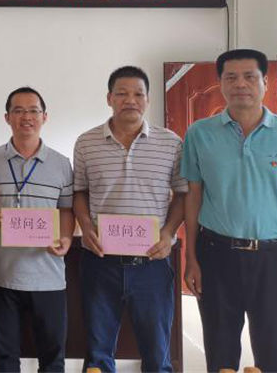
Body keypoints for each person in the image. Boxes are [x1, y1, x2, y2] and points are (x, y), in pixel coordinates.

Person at [182, 49, 277, 372]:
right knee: (220, 354)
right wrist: (191, 258)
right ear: (221, 83)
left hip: (276, 260)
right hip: (216, 255)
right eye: (231, 77)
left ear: (266, 82)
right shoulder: (199, 134)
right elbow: (193, 198)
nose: (240, 84)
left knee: (276, 355)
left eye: (250, 76)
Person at [73, 66, 186, 373]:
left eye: (138, 94)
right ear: (109, 98)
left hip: (152, 264)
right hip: (100, 262)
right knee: (97, 356)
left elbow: (182, 194)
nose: (130, 100)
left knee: (157, 356)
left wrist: (169, 232)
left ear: (148, 99)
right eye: (121, 93)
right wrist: (86, 226)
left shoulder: (171, 143)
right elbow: (79, 192)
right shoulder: (86, 142)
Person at [0, 87, 74, 373]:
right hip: (2, 275)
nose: (26, 117)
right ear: (7, 117)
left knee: (52, 359)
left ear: (45, 117)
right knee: (5, 358)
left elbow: (67, 209)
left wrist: (66, 238)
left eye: (33, 110)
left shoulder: (61, 164)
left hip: (49, 277)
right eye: (19, 111)